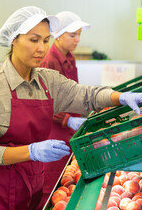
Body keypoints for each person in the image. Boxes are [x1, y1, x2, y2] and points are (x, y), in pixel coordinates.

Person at [0, 6, 142, 210]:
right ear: (14, 39)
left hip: (31, 192)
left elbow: (87, 95)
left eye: (46, 40)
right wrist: (31, 151)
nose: (41, 48)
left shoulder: (47, 81)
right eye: (33, 39)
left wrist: (121, 97)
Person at [40, 11, 91, 201]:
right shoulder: (48, 61)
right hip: (54, 129)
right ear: (59, 35)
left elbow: (72, 91)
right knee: (52, 183)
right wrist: (68, 120)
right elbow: (45, 102)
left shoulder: (69, 58)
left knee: (66, 179)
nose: (77, 39)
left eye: (79, 34)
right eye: (73, 35)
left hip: (69, 129)